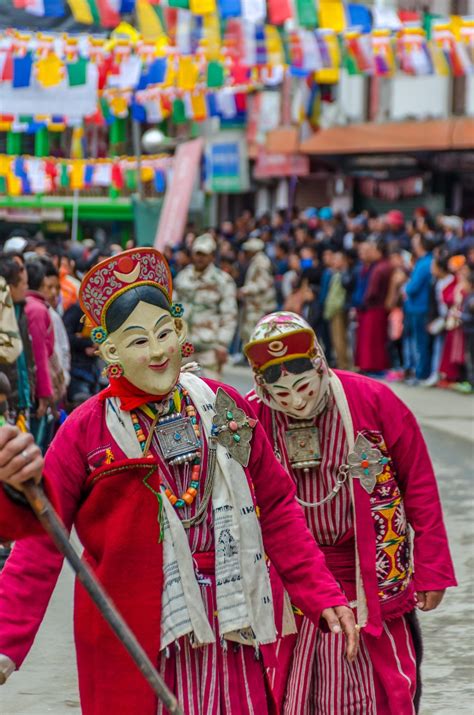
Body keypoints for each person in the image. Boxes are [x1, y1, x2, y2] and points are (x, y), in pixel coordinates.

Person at [0, 248, 358, 715]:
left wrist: (321, 591)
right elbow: (40, 543)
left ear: (180, 330)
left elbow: (274, 505)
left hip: (229, 627)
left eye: (164, 333)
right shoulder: (85, 431)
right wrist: (5, 641)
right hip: (131, 634)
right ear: (108, 351)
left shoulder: (223, 404)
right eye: (137, 340)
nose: (157, 351)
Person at [243, 311, 456, 715]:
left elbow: (420, 486)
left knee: (383, 685)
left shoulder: (373, 400)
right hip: (291, 578)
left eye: (304, 386)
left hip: (368, 570)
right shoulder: (252, 415)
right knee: (285, 685)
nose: (297, 401)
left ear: (320, 364)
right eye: (282, 395)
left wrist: (432, 567)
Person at [173, 233, 238, 378]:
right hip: (183, 346)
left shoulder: (223, 281)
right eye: (197, 253)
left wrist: (222, 344)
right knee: (180, 390)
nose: (199, 257)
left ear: (212, 256)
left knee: (211, 391)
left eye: (204, 254)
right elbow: (173, 308)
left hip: (210, 347)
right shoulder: (183, 277)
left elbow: (229, 315)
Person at [356, 239, 392, 375]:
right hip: (375, 307)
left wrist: (365, 301)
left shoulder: (379, 268)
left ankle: (372, 367)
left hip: (374, 307)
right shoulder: (379, 266)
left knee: (373, 342)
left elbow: (372, 291)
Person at [403, 234, 433, 383]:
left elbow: (412, 287)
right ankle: (418, 371)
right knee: (419, 342)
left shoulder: (424, 263)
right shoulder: (423, 262)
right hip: (417, 307)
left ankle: (420, 373)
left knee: (420, 343)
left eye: (415, 241)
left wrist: (406, 287)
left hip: (419, 308)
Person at [239, 237, 277, 346]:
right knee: (249, 332)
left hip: (259, 305)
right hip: (254, 305)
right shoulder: (256, 261)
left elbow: (263, 284)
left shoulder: (261, 262)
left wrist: (245, 290)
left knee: (256, 333)